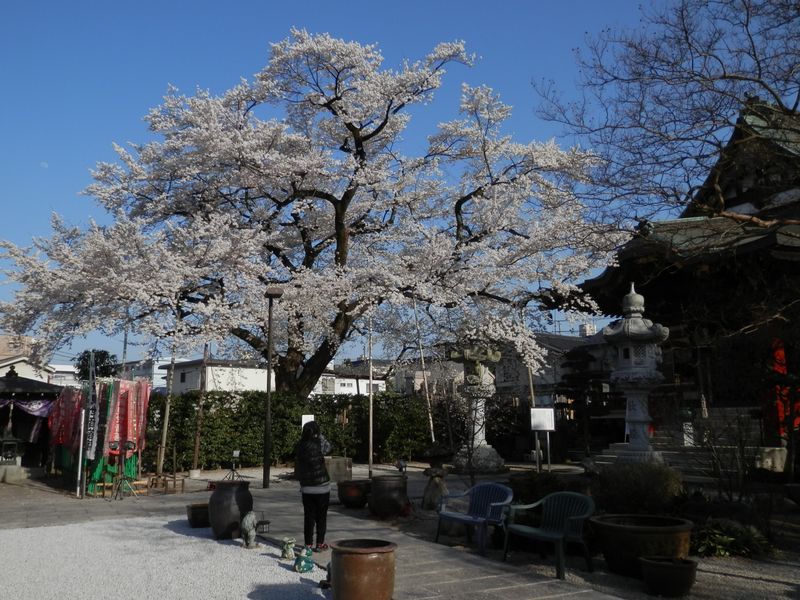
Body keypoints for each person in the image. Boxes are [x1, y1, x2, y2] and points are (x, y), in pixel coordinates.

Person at [294, 420, 332, 552]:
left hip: (307, 488)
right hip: (322, 486)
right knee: (321, 517)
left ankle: (308, 545)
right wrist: (320, 435)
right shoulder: (319, 443)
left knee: (308, 517)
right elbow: (328, 447)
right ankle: (320, 544)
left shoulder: (299, 445)